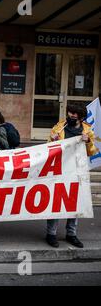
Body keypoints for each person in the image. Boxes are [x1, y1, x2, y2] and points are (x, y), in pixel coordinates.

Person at [45, 104, 98, 249]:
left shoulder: (87, 129)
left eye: (75, 114)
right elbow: (48, 147)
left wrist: (88, 141)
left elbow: (92, 151)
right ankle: (51, 234)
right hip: (60, 169)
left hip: (77, 170)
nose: (71, 116)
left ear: (81, 117)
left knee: (74, 202)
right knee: (56, 201)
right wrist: (53, 139)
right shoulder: (59, 127)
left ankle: (71, 234)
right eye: (70, 113)